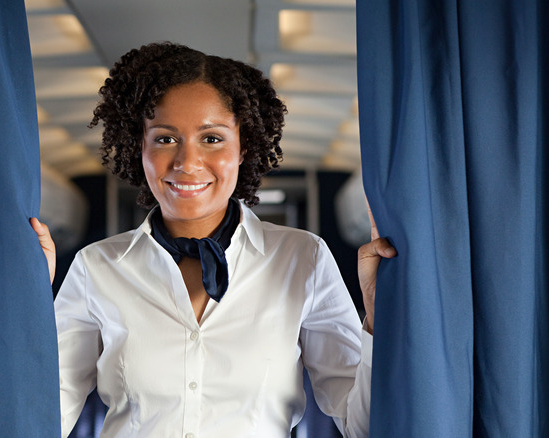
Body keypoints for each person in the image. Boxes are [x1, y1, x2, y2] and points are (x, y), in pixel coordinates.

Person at [30, 42, 396, 438]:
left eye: (212, 139)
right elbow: (41, 421)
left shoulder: (302, 257)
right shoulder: (96, 267)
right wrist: (26, 303)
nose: (187, 163)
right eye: (165, 139)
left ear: (244, 146)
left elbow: (362, 427)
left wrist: (377, 317)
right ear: (140, 147)